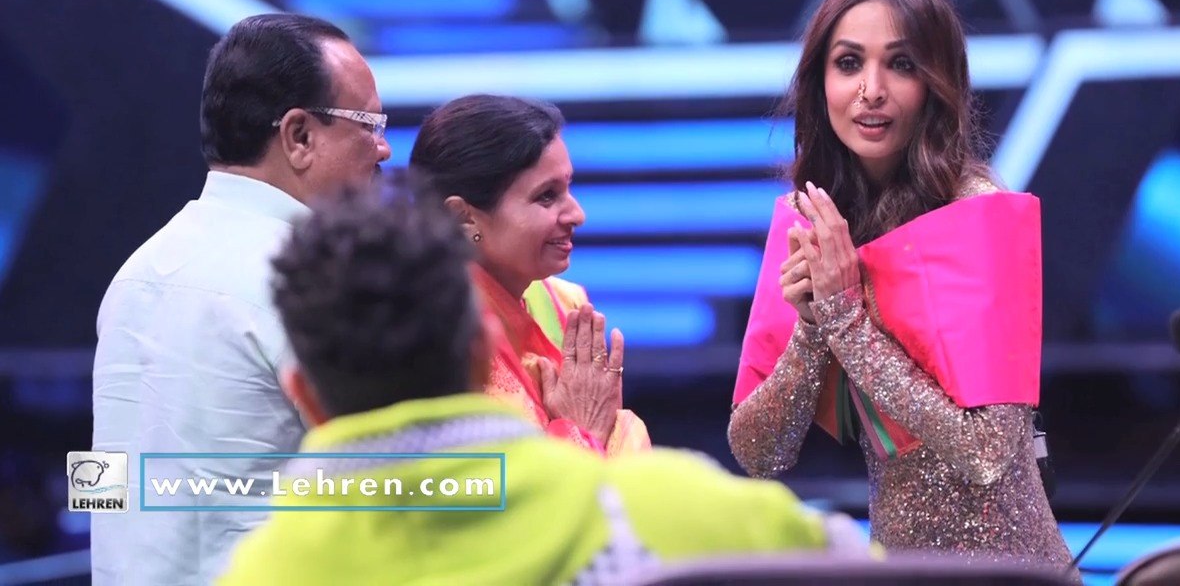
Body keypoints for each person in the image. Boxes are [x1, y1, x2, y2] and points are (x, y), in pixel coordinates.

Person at [217, 176, 869, 585]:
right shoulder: (675, 513)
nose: (573, 214)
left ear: (304, 396)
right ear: (484, 350)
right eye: (547, 195)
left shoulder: (259, 572)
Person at [727, 0, 1076, 574]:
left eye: (902, 65)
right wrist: (812, 327)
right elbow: (758, 452)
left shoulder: (979, 213)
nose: (872, 90)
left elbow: (986, 450)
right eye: (848, 63)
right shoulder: (815, 219)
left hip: (1011, 573)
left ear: (936, 83)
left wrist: (845, 317)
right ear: (820, 82)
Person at [91, 13, 391, 585]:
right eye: (369, 124)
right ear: (299, 136)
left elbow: (106, 490)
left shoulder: (135, 273)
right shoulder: (312, 279)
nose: (383, 149)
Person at [410, 95, 649, 455]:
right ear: (463, 216)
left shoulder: (569, 305)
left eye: (568, 188)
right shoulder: (422, 332)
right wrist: (583, 433)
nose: (577, 214)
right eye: (546, 197)